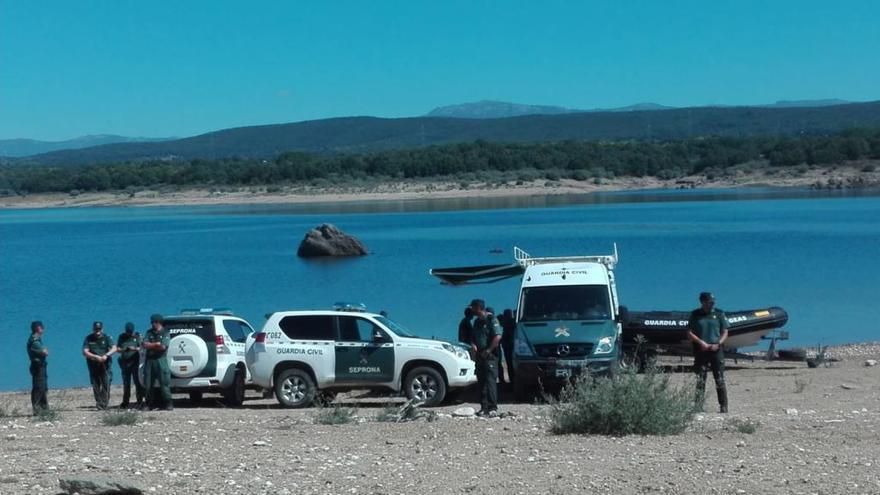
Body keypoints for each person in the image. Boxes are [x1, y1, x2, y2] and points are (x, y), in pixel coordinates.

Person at [687, 292, 729, 413]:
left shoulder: (719, 314)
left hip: (716, 349)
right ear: (703, 302)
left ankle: (723, 405)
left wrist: (718, 343)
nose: (712, 304)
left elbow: (725, 331)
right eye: (709, 301)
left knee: (719, 378)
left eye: (713, 301)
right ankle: (698, 405)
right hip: (701, 349)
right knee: (701, 378)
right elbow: (689, 333)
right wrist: (701, 343)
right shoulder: (695, 314)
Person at [469, 299, 501, 417]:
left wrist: (488, 350)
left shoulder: (491, 319)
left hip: (490, 355)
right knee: (481, 380)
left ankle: (493, 408)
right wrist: (473, 345)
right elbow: (473, 337)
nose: (471, 310)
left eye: (473, 307)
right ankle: (483, 407)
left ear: (478, 308)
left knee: (490, 381)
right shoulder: (476, 322)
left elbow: (497, 337)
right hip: (479, 355)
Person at [82, 321, 116, 410]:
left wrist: (106, 355)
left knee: (106, 383)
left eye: (99, 329)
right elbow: (85, 351)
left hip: (105, 364)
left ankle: (104, 403)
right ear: (93, 329)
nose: (97, 331)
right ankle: (99, 403)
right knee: (96, 384)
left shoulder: (107, 337)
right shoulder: (88, 338)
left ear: (102, 329)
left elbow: (114, 348)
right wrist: (95, 356)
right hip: (93, 364)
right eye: (96, 329)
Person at [142, 314, 173, 411]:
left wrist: (152, 345)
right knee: (148, 383)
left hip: (161, 359)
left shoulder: (165, 333)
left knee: (164, 383)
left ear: (158, 322)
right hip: (150, 360)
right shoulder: (149, 332)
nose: (152, 324)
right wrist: (156, 344)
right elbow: (144, 344)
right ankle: (148, 404)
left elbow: (163, 346)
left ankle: (168, 403)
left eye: (153, 322)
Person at [116, 322, 144, 409]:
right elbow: (118, 348)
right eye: (128, 332)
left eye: (130, 332)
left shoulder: (137, 336)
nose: (129, 333)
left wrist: (134, 348)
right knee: (126, 383)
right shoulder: (122, 337)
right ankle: (125, 401)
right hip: (125, 362)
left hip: (135, 362)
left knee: (137, 382)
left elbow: (142, 348)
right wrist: (123, 350)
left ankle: (139, 400)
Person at [27, 321, 49, 414]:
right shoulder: (35, 340)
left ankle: (44, 408)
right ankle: (37, 409)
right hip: (37, 367)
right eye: (42, 327)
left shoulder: (37, 339)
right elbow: (45, 352)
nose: (43, 329)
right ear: (38, 328)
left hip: (41, 366)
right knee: (38, 387)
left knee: (43, 387)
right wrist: (45, 351)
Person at [499, 309, 516, 385]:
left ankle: (513, 381)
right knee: (512, 365)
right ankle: (513, 381)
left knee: (510, 365)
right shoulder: (513, 322)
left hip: (509, 346)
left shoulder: (508, 323)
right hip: (511, 346)